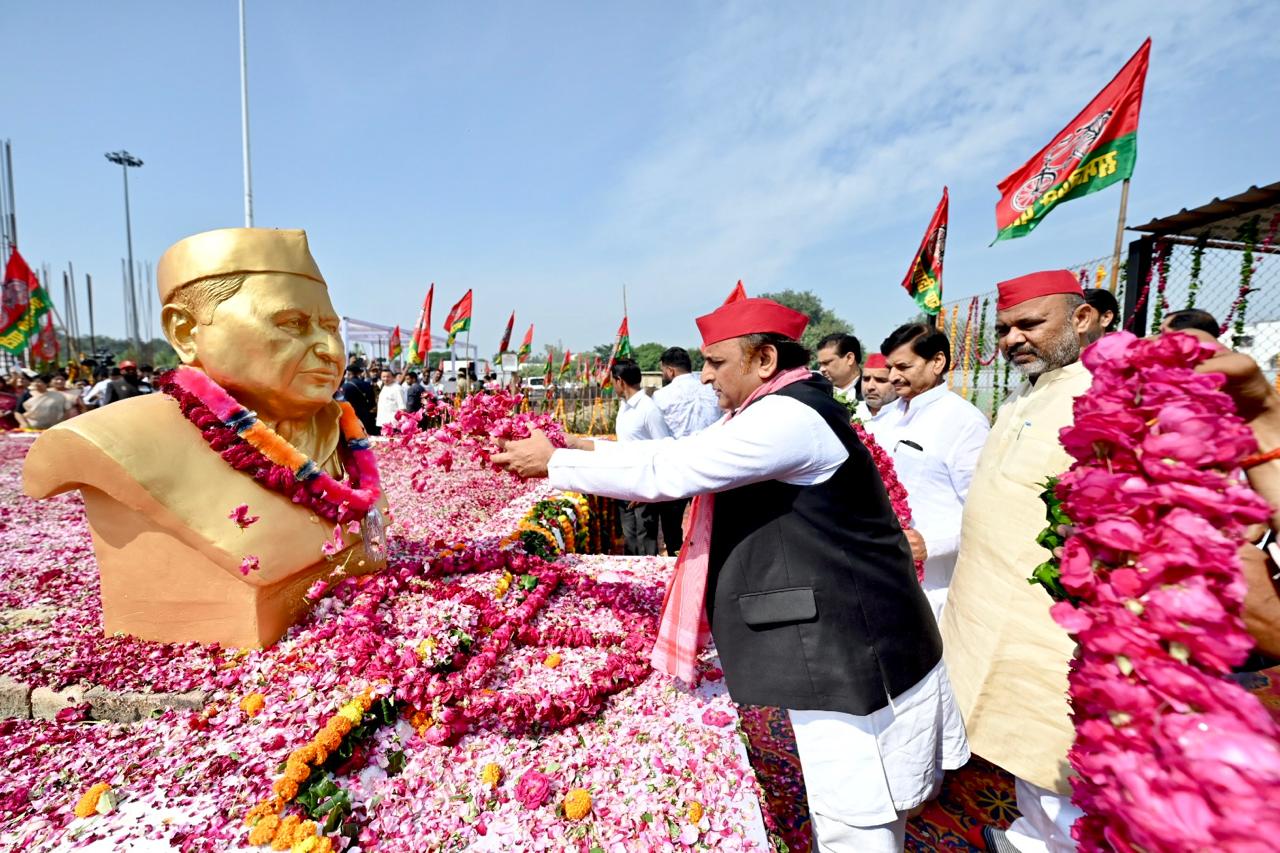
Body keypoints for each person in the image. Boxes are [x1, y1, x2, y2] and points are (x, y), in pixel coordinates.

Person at [494, 296, 968, 852]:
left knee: (856, 815)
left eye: (717, 362)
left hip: (853, 650)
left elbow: (673, 468)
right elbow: (684, 450)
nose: (704, 375)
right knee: (847, 806)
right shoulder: (773, 407)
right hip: (846, 637)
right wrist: (573, 444)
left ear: (764, 360)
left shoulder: (788, 417)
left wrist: (554, 464)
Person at [939, 270, 1096, 853]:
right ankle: (1033, 836)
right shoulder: (1027, 389)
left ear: (1080, 319)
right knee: (1017, 740)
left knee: (1054, 744)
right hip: (988, 604)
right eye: (1005, 328)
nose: (1012, 339)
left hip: (1048, 618)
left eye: (1030, 324)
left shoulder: (1099, 392)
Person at [878, 322, 989, 618]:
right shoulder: (887, 416)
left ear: (937, 362)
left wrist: (933, 545)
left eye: (903, 366)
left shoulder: (965, 422)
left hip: (936, 586)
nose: (892, 377)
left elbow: (983, 512)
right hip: (883, 571)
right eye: (890, 367)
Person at [652, 346, 721, 556]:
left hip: (678, 464)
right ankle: (710, 556)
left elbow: (658, 434)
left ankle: (675, 559)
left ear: (670, 371)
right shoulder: (712, 388)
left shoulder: (661, 396)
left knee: (672, 523)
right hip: (712, 461)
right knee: (711, 520)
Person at [611, 358, 672, 555]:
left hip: (643, 485)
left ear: (620, 381)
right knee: (629, 538)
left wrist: (648, 486)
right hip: (625, 482)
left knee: (645, 539)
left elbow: (664, 446)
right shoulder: (624, 406)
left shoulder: (648, 408)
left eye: (613, 381)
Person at [814, 332, 863, 412]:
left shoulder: (873, 392)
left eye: (826, 363)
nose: (821, 369)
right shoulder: (816, 393)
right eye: (820, 364)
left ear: (850, 358)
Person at [856, 353, 901, 437]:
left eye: (880, 380)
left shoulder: (907, 415)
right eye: (866, 379)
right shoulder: (848, 413)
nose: (870, 387)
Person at [374, 368, 406, 433]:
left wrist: (400, 424)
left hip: (393, 424)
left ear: (393, 377)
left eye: (388, 377)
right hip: (382, 423)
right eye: (383, 377)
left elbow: (402, 408)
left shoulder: (397, 388)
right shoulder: (383, 386)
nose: (386, 379)